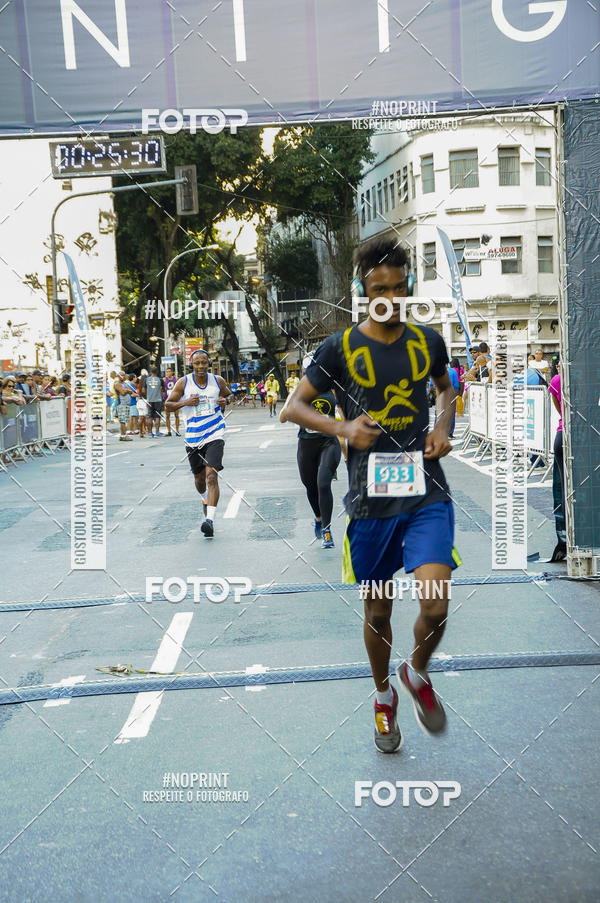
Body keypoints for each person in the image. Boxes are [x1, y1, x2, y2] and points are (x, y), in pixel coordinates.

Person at [285, 237, 459, 754]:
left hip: (426, 492)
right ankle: (383, 697)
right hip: (369, 503)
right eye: (378, 289)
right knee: (378, 614)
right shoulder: (338, 349)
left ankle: (417, 672)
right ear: (362, 291)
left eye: (398, 288)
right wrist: (341, 428)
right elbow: (294, 407)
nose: (389, 298)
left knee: (436, 604)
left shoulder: (428, 342)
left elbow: (447, 390)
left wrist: (444, 426)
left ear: (408, 288)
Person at [165, 349, 233, 538]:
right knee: (199, 479)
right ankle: (204, 499)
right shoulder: (183, 382)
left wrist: (224, 400)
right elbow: (168, 405)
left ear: (209, 363)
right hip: (194, 437)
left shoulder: (217, 381)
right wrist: (186, 402)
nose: (201, 366)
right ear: (191, 365)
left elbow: (230, 396)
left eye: (204, 363)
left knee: (211, 476)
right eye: (197, 363)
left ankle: (209, 520)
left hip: (215, 434)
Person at [280, 355, 344, 549]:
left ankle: (326, 530)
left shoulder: (335, 389)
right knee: (311, 487)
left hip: (329, 444)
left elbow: (346, 417)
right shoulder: (299, 391)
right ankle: (318, 518)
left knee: (323, 483)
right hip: (306, 445)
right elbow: (283, 417)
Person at [548, 355, 566, 562]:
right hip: (585, 436)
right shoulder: (587, 376)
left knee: (563, 491)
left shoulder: (556, 380)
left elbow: (559, 410)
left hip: (563, 434)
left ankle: (565, 539)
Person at [144, 366, 165, 438]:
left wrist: (148, 395)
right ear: (157, 372)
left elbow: (144, 390)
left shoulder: (146, 379)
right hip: (158, 400)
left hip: (149, 400)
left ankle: (150, 432)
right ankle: (157, 432)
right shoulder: (160, 380)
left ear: (150, 372)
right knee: (157, 416)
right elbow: (163, 390)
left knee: (149, 416)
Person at [114, 372, 133, 441]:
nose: (122, 376)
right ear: (118, 376)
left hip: (127, 404)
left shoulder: (125, 383)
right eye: (121, 375)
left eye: (123, 375)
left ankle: (122, 435)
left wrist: (127, 390)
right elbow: (122, 393)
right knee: (122, 421)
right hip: (121, 404)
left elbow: (131, 391)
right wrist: (127, 391)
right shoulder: (117, 384)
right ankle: (124, 435)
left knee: (125, 420)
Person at [163, 367, 179, 436]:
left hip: (175, 399)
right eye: (167, 372)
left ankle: (177, 430)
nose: (168, 373)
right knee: (167, 415)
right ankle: (169, 431)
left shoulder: (176, 379)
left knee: (176, 415)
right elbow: (163, 389)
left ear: (172, 372)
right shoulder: (164, 379)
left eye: (169, 371)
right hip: (167, 399)